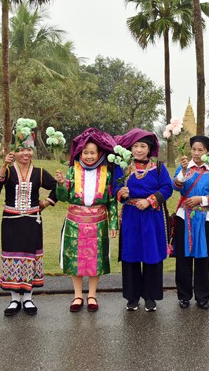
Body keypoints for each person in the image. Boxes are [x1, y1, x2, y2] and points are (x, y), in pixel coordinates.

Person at [0, 121, 57, 315]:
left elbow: (59, 188)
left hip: (32, 221)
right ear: (14, 152)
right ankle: (13, 298)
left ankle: (28, 298)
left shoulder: (40, 173)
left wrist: (47, 202)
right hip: (10, 220)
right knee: (12, 256)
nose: (25, 154)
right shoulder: (8, 171)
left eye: (28, 150)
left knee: (30, 256)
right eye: (21, 151)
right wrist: (3, 165)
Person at [55, 128, 118, 312]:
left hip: (98, 222)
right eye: (85, 152)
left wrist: (113, 223)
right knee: (75, 260)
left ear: (99, 153)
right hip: (75, 222)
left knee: (95, 260)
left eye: (92, 153)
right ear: (79, 153)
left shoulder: (107, 173)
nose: (89, 156)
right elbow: (63, 196)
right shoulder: (72, 171)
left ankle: (92, 295)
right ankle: (77, 295)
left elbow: (112, 201)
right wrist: (60, 184)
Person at [114, 128, 173, 312]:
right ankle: (132, 297)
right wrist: (121, 194)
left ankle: (150, 297)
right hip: (131, 216)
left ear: (150, 149)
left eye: (143, 146)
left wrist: (149, 201)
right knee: (131, 256)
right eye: (135, 146)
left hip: (151, 216)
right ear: (130, 148)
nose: (139, 150)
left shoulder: (159, 167)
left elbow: (167, 188)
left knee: (151, 255)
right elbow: (113, 189)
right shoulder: (123, 167)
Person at [173, 135, 209, 310]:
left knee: (203, 259)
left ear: (208, 151)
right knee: (183, 258)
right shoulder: (184, 167)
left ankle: (202, 297)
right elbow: (176, 187)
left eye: (200, 150)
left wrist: (200, 199)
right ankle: (184, 296)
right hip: (184, 217)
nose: (196, 153)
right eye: (194, 149)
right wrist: (184, 171)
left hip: (205, 218)